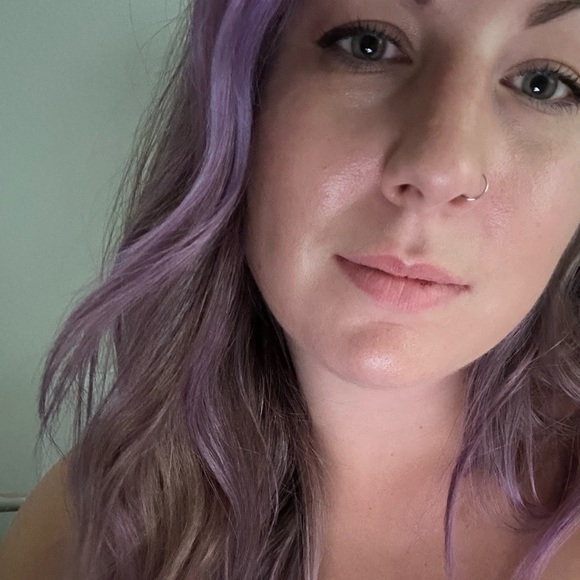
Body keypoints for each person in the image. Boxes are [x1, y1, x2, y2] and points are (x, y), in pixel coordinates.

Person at [2, 0, 580, 578]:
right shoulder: (84, 533)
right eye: (369, 45)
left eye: (543, 83)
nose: (438, 170)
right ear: (245, 95)